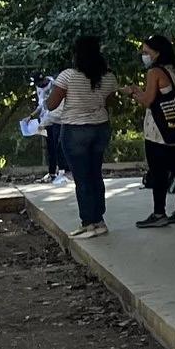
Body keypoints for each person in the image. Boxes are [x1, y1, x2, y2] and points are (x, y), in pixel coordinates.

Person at [46, 38, 119, 238]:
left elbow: (51, 104)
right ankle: (99, 220)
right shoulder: (109, 77)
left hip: (75, 129)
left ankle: (88, 222)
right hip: (100, 127)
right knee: (95, 174)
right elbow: (110, 103)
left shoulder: (68, 76)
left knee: (82, 178)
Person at [130, 38, 175, 225]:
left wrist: (133, 92)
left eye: (146, 52)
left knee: (158, 171)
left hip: (158, 131)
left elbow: (148, 101)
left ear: (157, 52)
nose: (144, 56)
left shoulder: (155, 72)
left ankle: (159, 213)